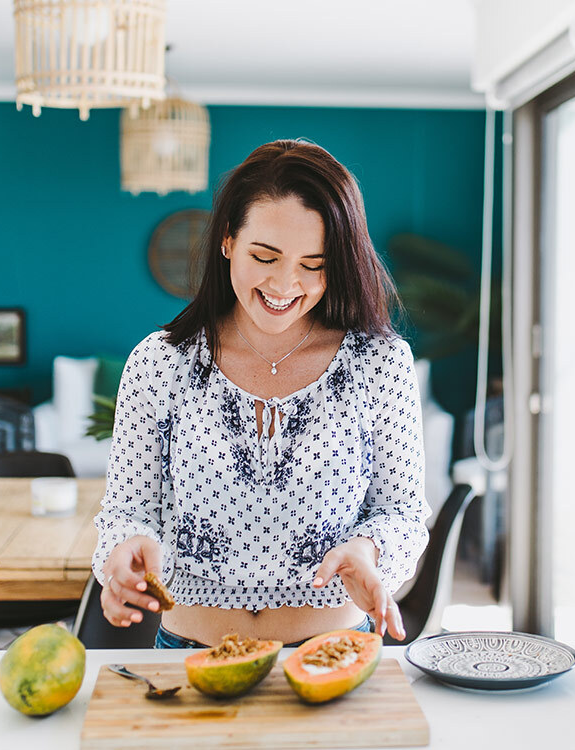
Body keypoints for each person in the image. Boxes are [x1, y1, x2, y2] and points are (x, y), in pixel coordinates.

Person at [91, 139, 428, 648]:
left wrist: (369, 549)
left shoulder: (380, 364)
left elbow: (402, 513)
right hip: (190, 652)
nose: (285, 283)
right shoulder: (160, 363)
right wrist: (123, 552)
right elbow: (127, 510)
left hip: (332, 651)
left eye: (313, 264)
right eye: (265, 256)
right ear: (227, 240)